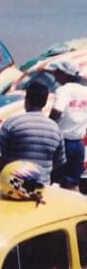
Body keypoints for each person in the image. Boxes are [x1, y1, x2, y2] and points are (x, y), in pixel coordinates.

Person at [0, 82, 64, 185]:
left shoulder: (12, 123)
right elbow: (59, 162)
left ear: (26, 101)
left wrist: (3, 177)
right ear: (44, 103)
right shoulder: (56, 128)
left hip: (13, 185)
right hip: (41, 188)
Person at [47, 59, 87, 189]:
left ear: (65, 74)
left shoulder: (63, 90)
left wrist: (47, 125)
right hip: (79, 143)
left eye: (57, 72)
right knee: (72, 182)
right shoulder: (85, 91)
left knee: (55, 180)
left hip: (62, 143)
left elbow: (57, 111)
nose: (54, 74)